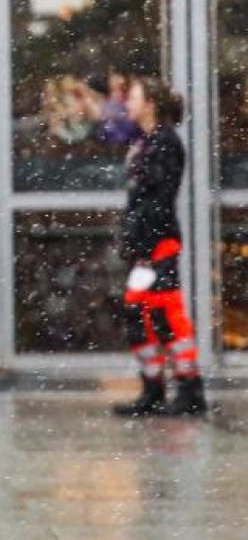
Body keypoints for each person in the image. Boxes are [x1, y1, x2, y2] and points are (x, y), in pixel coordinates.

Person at [112, 78, 208, 417]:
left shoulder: (164, 143)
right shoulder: (148, 141)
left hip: (157, 242)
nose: (128, 104)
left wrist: (144, 243)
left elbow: (157, 199)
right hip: (146, 243)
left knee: (165, 313)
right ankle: (153, 387)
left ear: (150, 104)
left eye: (134, 98)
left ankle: (188, 387)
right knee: (138, 313)